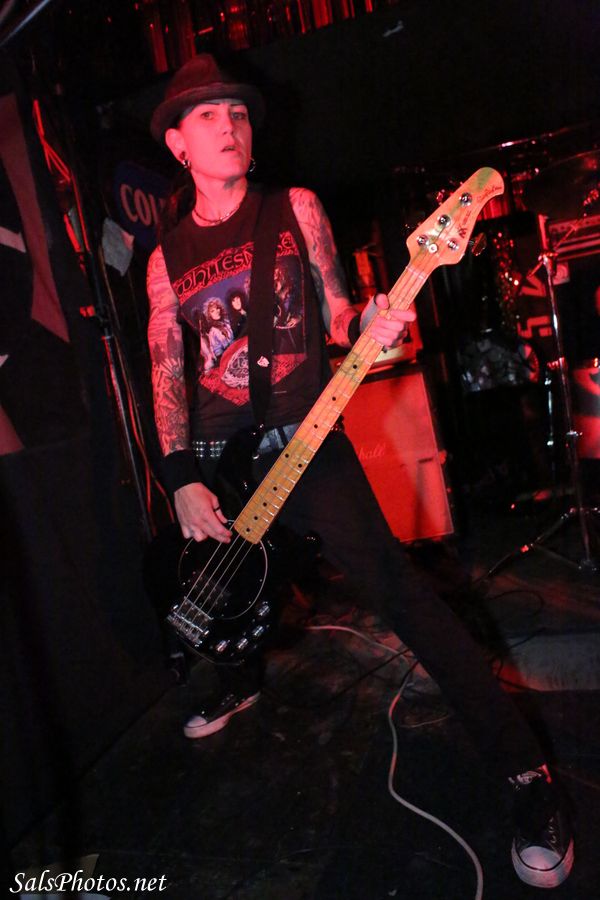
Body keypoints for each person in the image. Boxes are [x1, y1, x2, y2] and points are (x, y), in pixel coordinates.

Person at [146, 53, 574, 889]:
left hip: (308, 446)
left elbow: (339, 307)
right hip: (218, 463)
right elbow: (166, 367)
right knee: (232, 587)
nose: (230, 125)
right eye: (208, 116)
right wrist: (178, 474)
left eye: (239, 113)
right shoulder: (166, 256)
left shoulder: (293, 208)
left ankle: (527, 775)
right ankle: (238, 676)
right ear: (177, 144)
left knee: (405, 597)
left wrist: (364, 323)